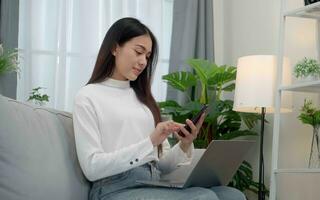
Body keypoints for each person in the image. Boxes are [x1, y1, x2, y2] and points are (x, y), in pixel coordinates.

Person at [73, 17, 246, 200]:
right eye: (138, 51)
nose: (143, 62)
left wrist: (184, 144)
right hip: (113, 189)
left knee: (232, 195)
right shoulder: (88, 96)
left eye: (147, 56)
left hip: (151, 183)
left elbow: (162, 165)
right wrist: (149, 141)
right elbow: (92, 168)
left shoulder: (143, 100)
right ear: (115, 48)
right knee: (204, 198)